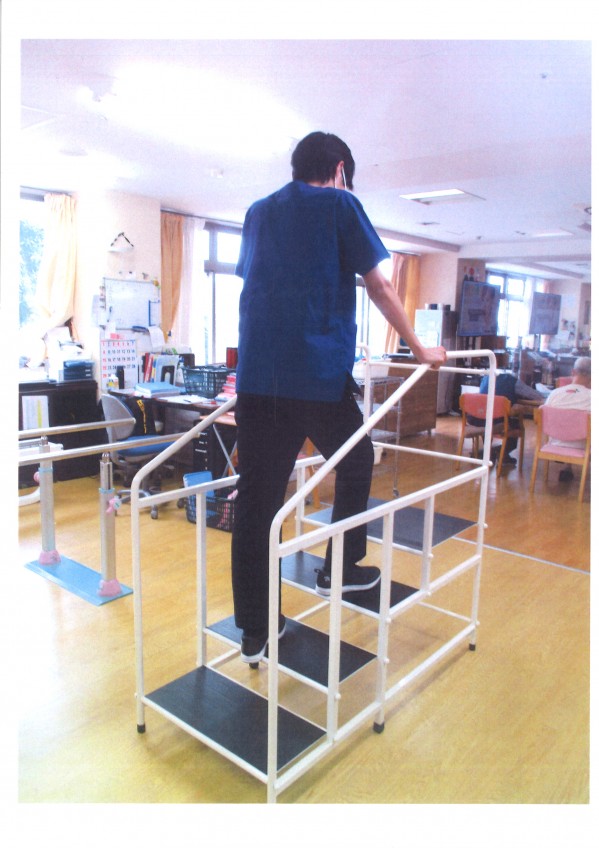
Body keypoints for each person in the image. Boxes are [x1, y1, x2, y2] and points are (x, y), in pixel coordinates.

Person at [231, 131, 446, 663]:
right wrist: (420, 348)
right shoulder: (340, 204)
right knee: (356, 461)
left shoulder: (258, 212)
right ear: (341, 170)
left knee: (257, 502)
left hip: (258, 380)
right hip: (316, 378)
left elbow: (256, 283)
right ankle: (341, 569)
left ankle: (256, 630)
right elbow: (379, 285)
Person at [472, 370, 544, 465]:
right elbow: (537, 396)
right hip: (501, 423)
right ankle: (503, 453)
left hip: (481, 421)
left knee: (491, 417)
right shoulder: (511, 380)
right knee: (516, 424)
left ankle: (489, 452)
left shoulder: (485, 379)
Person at [543, 356, 591, 480]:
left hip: (555, 443)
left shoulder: (554, 394)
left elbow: (541, 419)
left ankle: (567, 467)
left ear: (573, 372)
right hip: (582, 447)